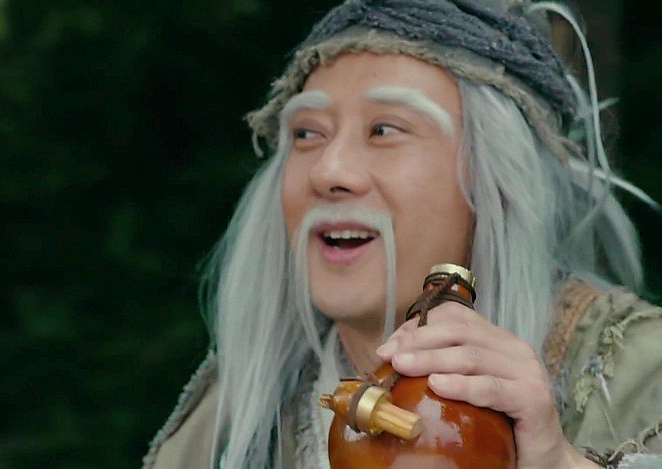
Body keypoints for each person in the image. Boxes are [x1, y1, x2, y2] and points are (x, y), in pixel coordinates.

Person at [143, 1, 662, 467]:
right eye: (307, 133)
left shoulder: (644, 374)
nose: (328, 171)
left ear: (497, 181)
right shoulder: (225, 431)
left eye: (384, 129)